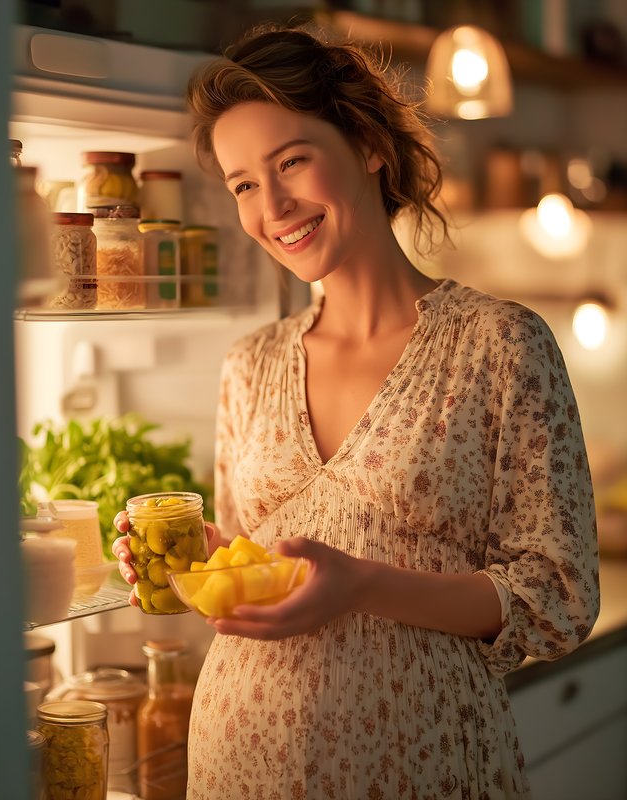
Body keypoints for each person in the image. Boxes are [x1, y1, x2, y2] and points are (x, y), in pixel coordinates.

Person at [112, 24, 599, 799]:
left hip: (423, 762)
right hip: (243, 762)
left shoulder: (499, 345)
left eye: (292, 161)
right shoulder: (251, 364)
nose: (271, 207)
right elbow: (265, 564)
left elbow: (557, 598)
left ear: (368, 146)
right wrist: (206, 562)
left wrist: (363, 586)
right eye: (242, 184)